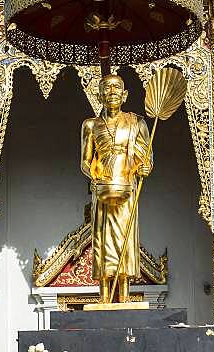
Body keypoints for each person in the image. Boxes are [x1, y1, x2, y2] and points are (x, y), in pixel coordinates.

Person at [81, 74, 153, 304]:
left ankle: (124, 295)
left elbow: (146, 156)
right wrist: (93, 175)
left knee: (125, 240)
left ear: (124, 95)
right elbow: (84, 160)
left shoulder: (136, 123)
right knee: (102, 241)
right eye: (107, 88)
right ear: (99, 95)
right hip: (102, 188)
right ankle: (103, 296)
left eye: (116, 88)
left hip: (126, 187)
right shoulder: (90, 125)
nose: (112, 91)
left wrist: (145, 168)